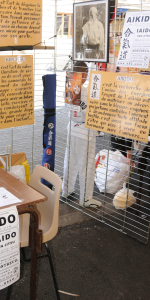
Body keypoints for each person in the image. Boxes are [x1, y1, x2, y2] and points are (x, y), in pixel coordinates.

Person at [62, 61, 102, 208]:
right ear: (84, 74)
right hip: (84, 131)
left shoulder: (69, 87)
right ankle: (85, 198)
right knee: (87, 165)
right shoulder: (85, 91)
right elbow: (88, 112)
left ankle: (66, 190)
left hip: (72, 128)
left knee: (70, 160)